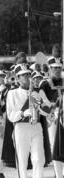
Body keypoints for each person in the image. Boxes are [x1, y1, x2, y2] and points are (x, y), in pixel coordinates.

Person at [6, 63, 51, 178]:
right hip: (21, 128)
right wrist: (22, 113)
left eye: (28, 74)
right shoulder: (12, 93)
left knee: (38, 159)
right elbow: (10, 116)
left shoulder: (38, 91)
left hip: (36, 126)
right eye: (23, 75)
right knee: (22, 160)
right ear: (17, 78)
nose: (26, 76)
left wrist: (39, 105)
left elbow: (48, 110)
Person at [39, 45, 64, 178]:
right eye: (55, 68)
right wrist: (53, 105)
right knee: (55, 144)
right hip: (52, 118)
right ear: (50, 68)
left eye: (59, 68)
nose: (57, 70)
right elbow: (41, 102)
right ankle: (58, 173)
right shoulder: (44, 84)